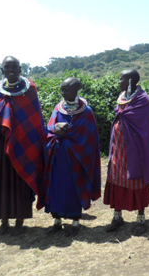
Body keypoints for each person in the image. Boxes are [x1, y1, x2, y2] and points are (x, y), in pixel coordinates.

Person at [0, 56, 46, 236]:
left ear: (20, 69)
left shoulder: (29, 89)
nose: (11, 71)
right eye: (7, 68)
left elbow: (33, 120)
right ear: (2, 71)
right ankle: (4, 222)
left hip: (23, 146)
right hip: (0, 147)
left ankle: (19, 222)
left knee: (20, 183)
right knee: (1, 184)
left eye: (14, 68)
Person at [103, 69, 149, 235]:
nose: (118, 82)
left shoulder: (144, 101)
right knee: (115, 178)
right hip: (118, 148)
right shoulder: (122, 98)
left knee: (136, 181)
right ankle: (117, 216)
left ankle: (141, 218)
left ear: (130, 81)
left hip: (135, 150)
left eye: (121, 79)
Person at [39, 77, 101, 237]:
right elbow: (49, 128)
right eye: (62, 90)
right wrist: (55, 128)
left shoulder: (86, 112)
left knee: (74, 190)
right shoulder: (58, 108)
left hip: (76, 159)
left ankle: (75, 222)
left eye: (67, 90)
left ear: (76, 91)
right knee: (56, 189)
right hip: (57, 159)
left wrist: (69, 135)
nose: (63, 93)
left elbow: (90, 137)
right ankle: (57, 221)